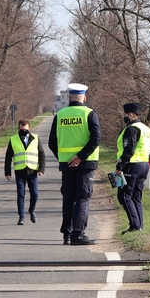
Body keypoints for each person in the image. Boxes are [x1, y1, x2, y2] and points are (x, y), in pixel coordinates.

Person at [48, 83, 101, 245]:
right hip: (85, 164)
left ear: (69, 98)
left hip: (66, 164)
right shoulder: (89, 114)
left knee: (68, 198)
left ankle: (67, 234)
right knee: (83, 197)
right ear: (84, 98)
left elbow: (52, 142)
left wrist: (65, 158)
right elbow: (96, 138)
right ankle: (78, 234)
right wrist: (80, 156)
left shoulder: (60, 115)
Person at [116, 102, 150, 234]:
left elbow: (129, 149)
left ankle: (135, 227)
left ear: (131, 114)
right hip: (144, 165)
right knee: (136, 197)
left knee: (125, 196)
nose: (125, 118)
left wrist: (120, 165)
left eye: (126, 115)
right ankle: (138, 226)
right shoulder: (145, 128)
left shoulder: (131, 129)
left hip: (132, 165)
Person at [4, 119, 45, 225]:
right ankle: (21, 217)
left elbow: (41, 154)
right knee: (20, 195)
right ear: (18, 128)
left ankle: (32, 210)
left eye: (26, 129)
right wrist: (7, 172)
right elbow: (8, 157)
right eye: (22, 129)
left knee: (35, 194)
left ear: (29, 128)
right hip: (20, 171)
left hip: (32, 171)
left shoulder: (35, 138)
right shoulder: (13, 139)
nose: (24, 131)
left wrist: (41, 169)